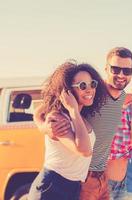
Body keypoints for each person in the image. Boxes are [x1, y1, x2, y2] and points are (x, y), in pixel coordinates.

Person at [34, 47, 132, 200]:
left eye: (126, 71)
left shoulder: (120, 97)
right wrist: (44, 127)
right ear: (106, 69)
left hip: (103, 177)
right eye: (115, 69)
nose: (121, 75)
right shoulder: (95, 90)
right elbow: (42, 109)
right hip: (83, 177)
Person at [28, 61, 106, 200]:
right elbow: (84, 150)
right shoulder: (58, 118)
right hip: (51, 187)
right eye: (82, 86)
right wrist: (73, 110)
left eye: (92, 84)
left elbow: (38, 111)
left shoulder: (81, 118)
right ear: (67, 91)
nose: (89, 90)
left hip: (73, 187)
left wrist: (41, 126)